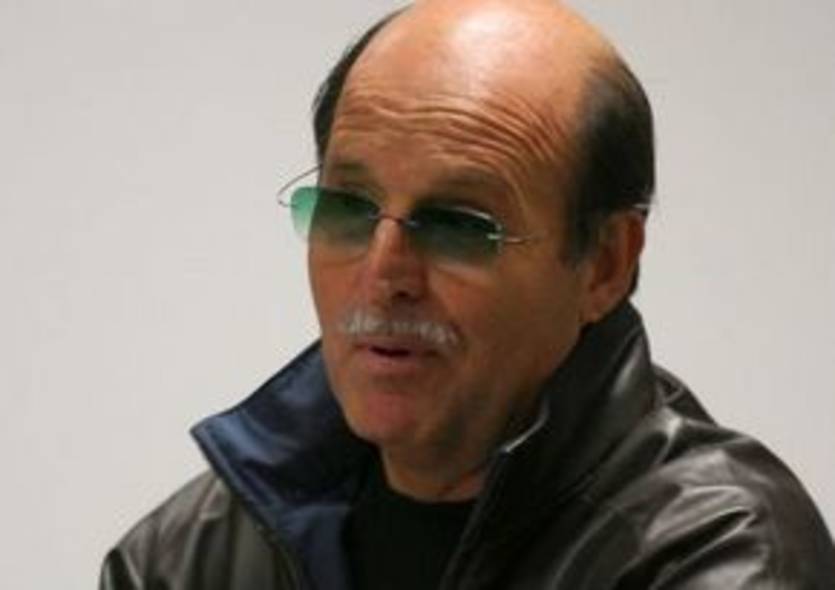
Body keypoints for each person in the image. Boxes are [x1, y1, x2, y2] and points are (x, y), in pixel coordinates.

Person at [99, 1, 835, 588]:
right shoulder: (187, 558)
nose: (384, 273)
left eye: (458, 225)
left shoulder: (718, 550)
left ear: (604, 265)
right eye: (349, 209)